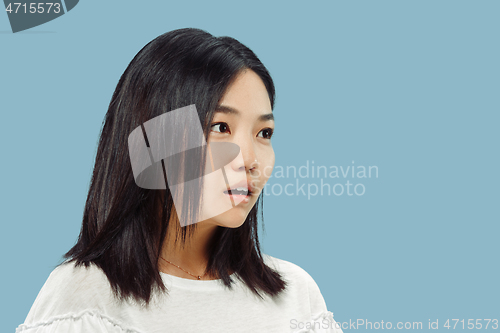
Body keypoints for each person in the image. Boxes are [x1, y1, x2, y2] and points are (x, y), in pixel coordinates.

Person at [15, 28, 343, 333]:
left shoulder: (297, 296)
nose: (250, 160)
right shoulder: (85, 299)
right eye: (220, 127)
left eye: (264, 133)